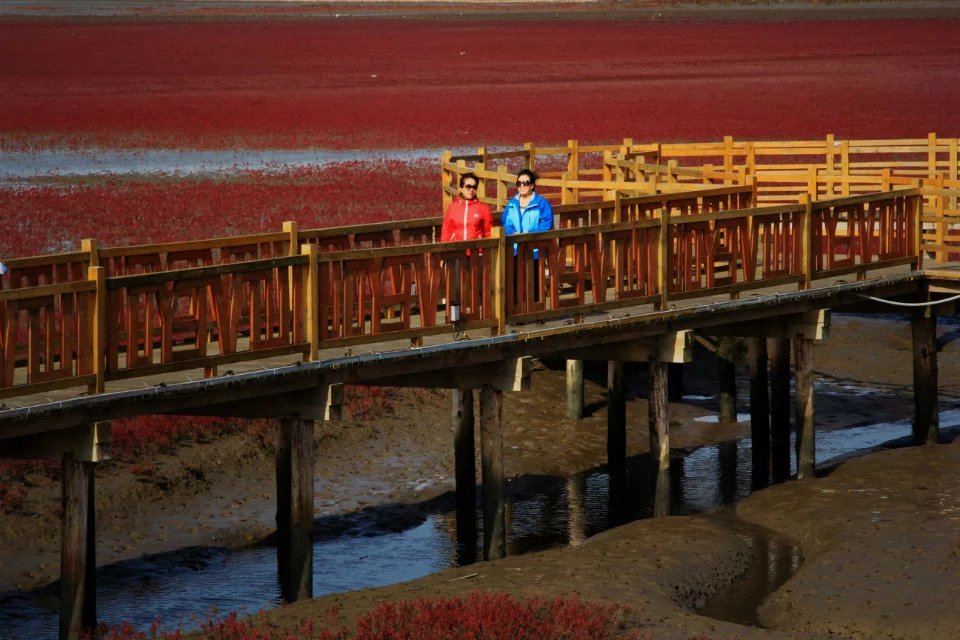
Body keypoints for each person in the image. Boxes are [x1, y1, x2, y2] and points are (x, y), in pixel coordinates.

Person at [500, 168, 554, 241]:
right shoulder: (511, 204)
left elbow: (547, 224)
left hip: (536, 246)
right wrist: (513, 233)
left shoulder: (541, 203)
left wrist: (529, 234)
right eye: (519, 183)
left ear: (531, 186)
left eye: (525, 183)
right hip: (515, 247)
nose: (521, 186)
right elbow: (505, 223)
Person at [441, 172, 492, 243]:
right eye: (468, 187)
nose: (471, 190)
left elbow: (488, 232)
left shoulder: (484, 208)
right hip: (456, 250)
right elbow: (446, 231)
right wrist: (444, 249)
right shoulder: (452, 207)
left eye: (474, 187)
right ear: (461, 188)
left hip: (476, 250)